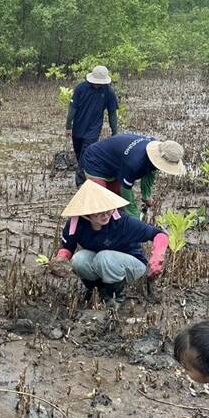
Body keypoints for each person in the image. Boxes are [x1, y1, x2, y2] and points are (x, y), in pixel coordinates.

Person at [51, 180, 168, 311]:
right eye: (99, 211)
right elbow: (67, 248)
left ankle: (116, 296)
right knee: (78, 259)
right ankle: (98, 291)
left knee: (104, 257)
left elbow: (159, 235)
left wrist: (157, 256)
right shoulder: (76, 224)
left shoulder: (122, 222)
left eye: (108, 209)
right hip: (103, 263)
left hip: (132, 264)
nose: (106, 214)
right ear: (87, 213)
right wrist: (60, 259)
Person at [80, 134, 185, 217]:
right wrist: (134, 213)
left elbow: (149, 173)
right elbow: (126, 189)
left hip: (116, 165)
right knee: (102, 205)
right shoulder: (135, 163)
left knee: (118, 204)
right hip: (95, 161)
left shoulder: (153, 151)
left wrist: (146, 197)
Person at [65, 65, 119, 186]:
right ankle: (87, 175)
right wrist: (68, 126)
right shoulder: (80, 88)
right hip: (78, 129)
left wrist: (115, 132)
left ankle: (81, 184)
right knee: (79, 155)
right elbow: (72, 108)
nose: (97, 84)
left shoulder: (108, 91)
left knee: (86, 155)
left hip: (93, 131)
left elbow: (112, 113)